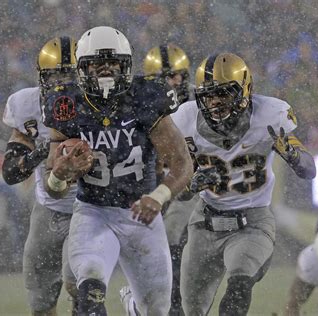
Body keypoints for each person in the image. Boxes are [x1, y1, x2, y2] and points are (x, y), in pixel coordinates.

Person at [42, 26, 193, 316]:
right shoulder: (65, 103)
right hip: (93, 212)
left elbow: (182, 163)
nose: (106, 71)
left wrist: (159, 196)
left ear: (127, 66)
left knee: (157, 309)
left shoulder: (146, 96)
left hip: (141, 212)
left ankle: (134, 307)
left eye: (114, 64)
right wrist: (58, 175)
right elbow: (54, 187)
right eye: (97, 65)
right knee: (90, 293)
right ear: (82, 69)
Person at [171, 52, 317, 315]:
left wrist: (294, 157)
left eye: (224, 93)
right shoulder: (185, 120)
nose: (215, 102)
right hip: (204, 223)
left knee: (237, 289)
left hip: (252, 223)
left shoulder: (271, 115)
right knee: (189, 308)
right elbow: (178, 194)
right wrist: (192, 184)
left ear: (245, 88)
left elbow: (309, 170)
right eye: (209, 95)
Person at [1, 36, 80, 316]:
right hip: (46, 210)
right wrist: (39, 153)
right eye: (55, 74)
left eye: (69, 74)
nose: (62, 82)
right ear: (41, 77)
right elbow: (10, 172)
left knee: (79, 283)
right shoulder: (27, 105)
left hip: (89, 207)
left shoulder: (101, 107)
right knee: (40, 300)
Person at [120, 43, 195, 316]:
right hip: (154, 186)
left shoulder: (197, 107)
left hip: (187, 185)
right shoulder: (142, 105)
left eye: (179, 75)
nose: (175, 81)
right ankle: (143, 299)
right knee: (167, 247)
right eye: (167, 76)